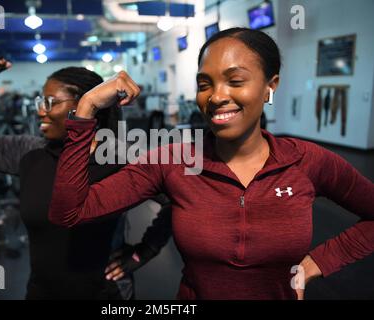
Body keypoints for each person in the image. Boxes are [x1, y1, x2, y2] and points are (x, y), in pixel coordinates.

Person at [48, 27, 374, 300]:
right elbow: (68, 213)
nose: (216, 96)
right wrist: (86, 108)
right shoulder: (173, 160)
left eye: (235, 80)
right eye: (204, 84)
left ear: (270, 86)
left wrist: (313, 265)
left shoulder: (308, 161)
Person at [0, 51, 172, 299]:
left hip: (106, 294)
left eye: (50, 103)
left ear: (87, 106)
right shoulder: (30, 152)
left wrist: (143, 251)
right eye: (40, 102)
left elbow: (177, 198)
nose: (41, 111)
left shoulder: (120, 156)